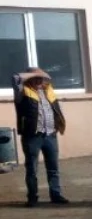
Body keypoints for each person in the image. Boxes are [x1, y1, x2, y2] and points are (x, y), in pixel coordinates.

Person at [13, 68, 68, 207]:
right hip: (32, 136)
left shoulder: (48, 91)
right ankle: (32, 197)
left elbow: (48, 78)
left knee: (53, 168)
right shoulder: (22, 93)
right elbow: (15, 78)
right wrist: (33, 74)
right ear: (29, 79)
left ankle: (56, 195)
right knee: (32, 168)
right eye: (35, 78)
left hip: (50, 135)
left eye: (41, 78)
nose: (39, 80)